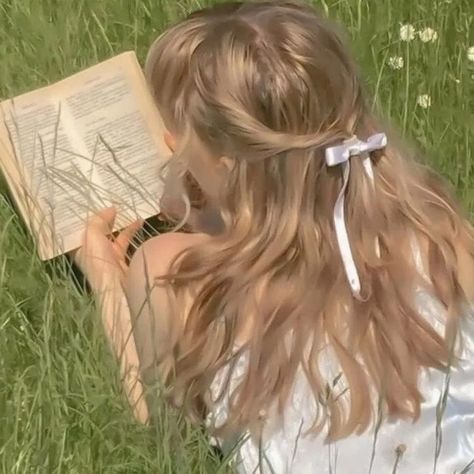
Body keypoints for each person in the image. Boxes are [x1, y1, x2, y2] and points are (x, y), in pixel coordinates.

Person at [74, 1, 474, 472]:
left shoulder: (176, 272)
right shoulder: (439, 231)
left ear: (220, 167)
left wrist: (106, 283)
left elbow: (163, 432)